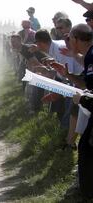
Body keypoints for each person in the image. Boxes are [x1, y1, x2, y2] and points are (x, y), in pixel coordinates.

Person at [50, 24, 93, 200]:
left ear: (75, 39)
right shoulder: (89, 55)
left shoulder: (92, 55)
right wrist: (67, 75)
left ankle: (87, 193)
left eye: (70, 39)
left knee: (86, 148)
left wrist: (82, 99)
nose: (68, 42)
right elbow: (87, 84)